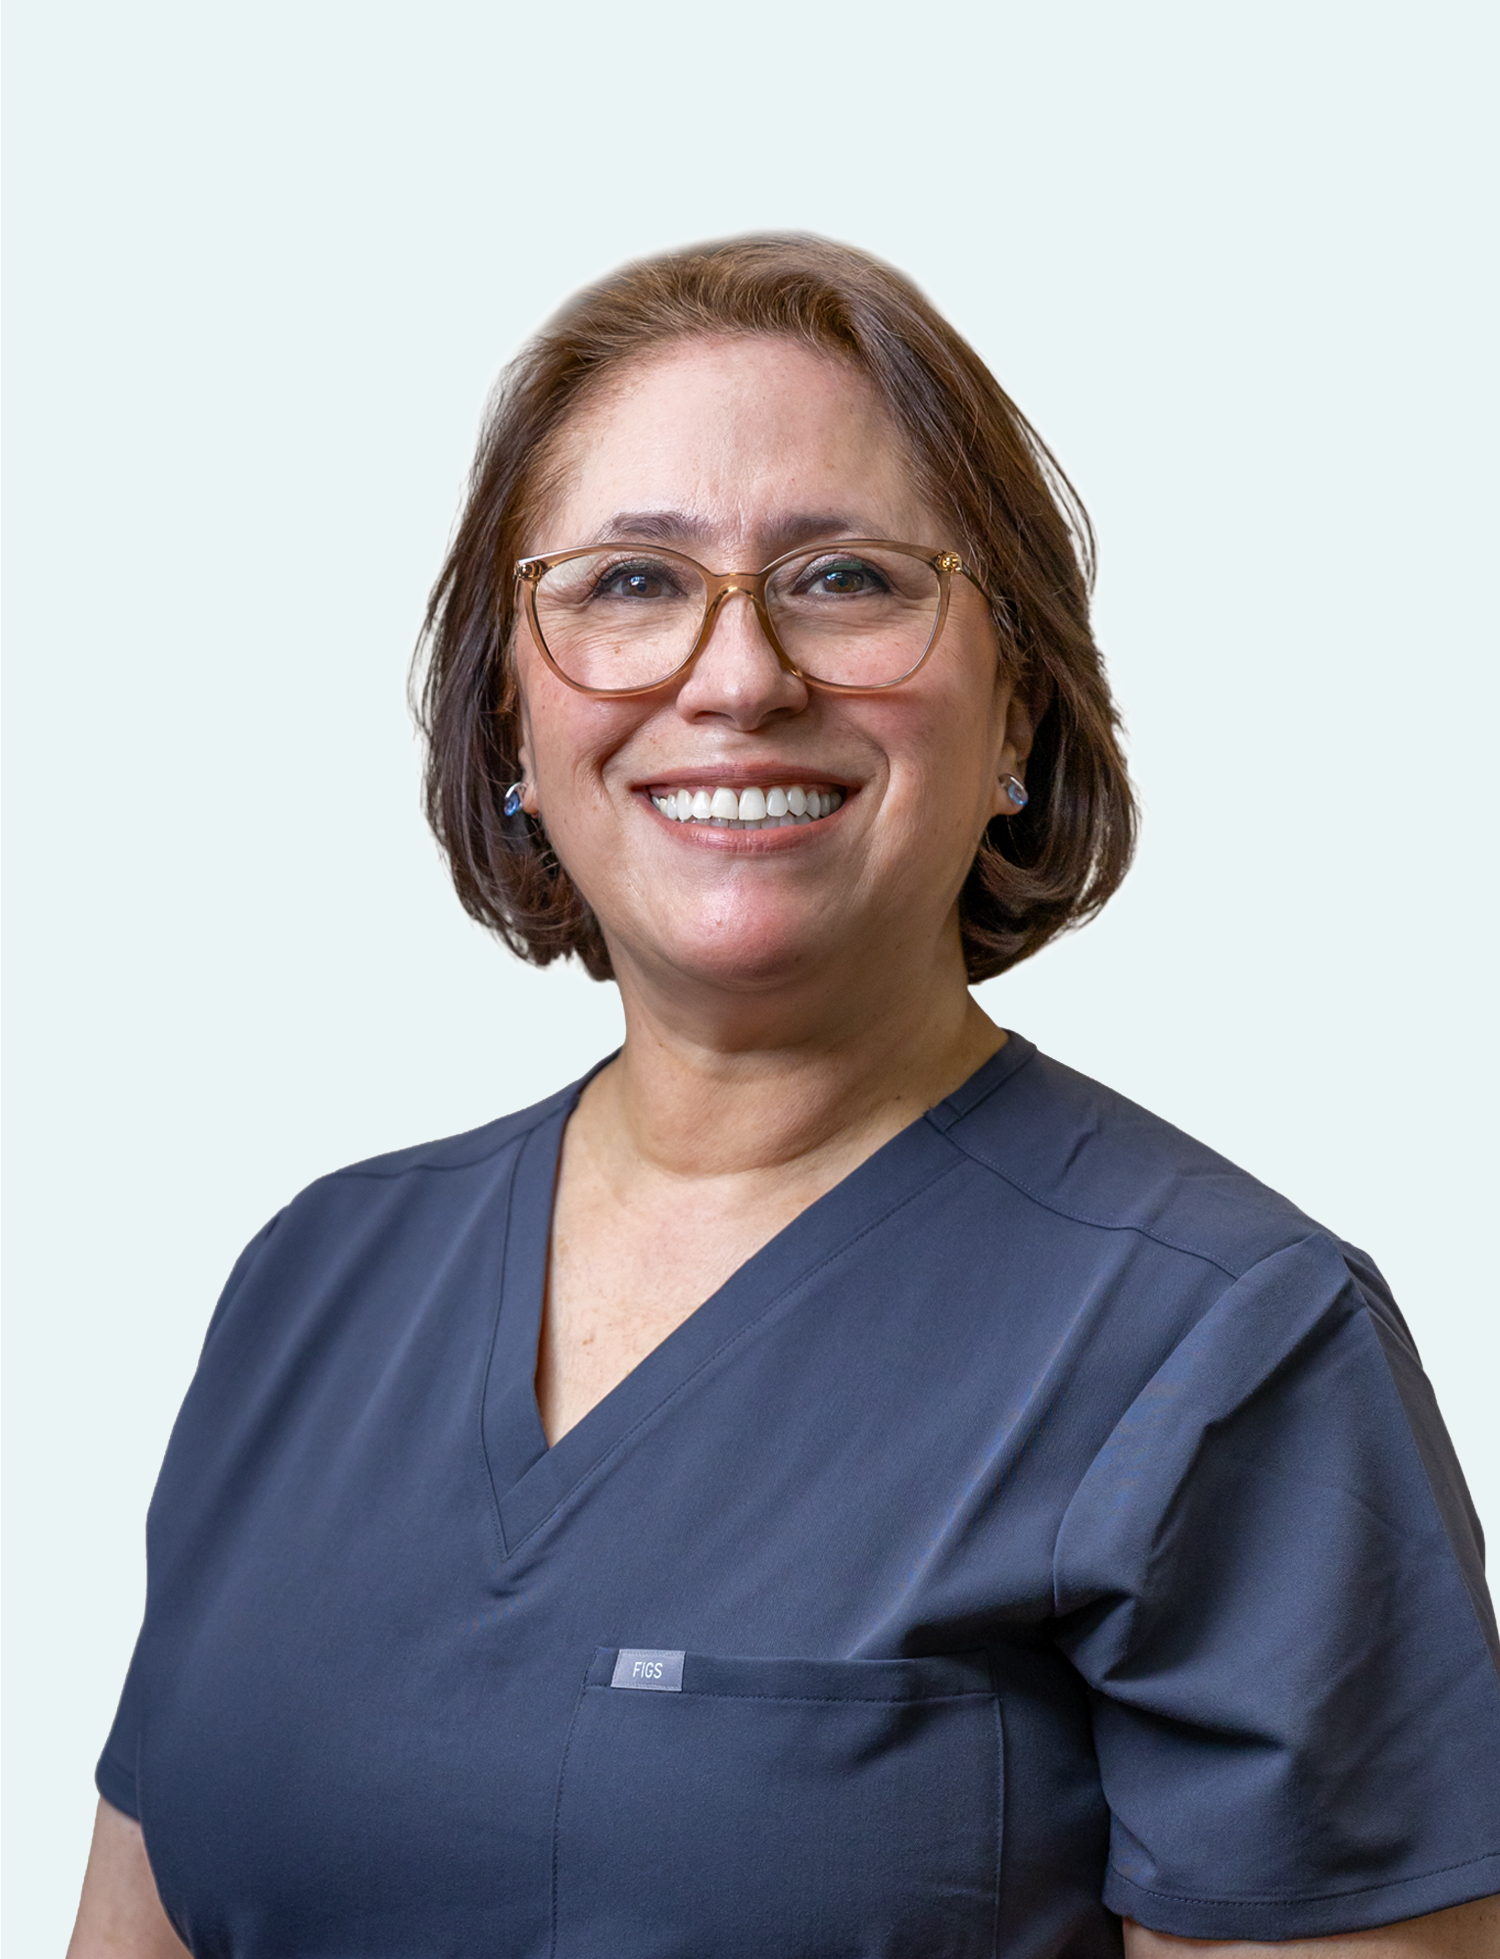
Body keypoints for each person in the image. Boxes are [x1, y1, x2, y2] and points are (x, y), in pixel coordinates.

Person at [69, 236, 1500, 1959]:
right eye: (625, 584)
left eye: (842, 577)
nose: (738, 675)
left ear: (1019, 709)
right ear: (513, 723)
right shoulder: (313, 1284)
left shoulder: (1228, 1347)